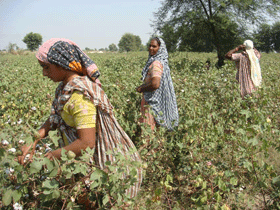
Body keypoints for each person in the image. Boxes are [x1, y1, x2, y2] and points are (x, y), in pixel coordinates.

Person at [18, 38, 142, 203]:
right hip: (80, 158)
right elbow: (55, 117)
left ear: (61, 63)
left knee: (91, 200)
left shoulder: (79, 96)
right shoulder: (65, 88)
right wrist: (35, 138)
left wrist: (50, 157)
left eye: (46, 67)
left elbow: (86, 143)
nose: (44, 73)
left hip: (98, 163)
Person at [136, 37, 179, 131]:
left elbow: (155, 84)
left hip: (152, 103)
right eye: (150, 46)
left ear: (160, 48)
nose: (151, 48)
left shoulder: (156, 63)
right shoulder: (160, 61)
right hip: (156, 101)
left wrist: (141, 88)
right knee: (156, 132)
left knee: (148, 132)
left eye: (154, 46)